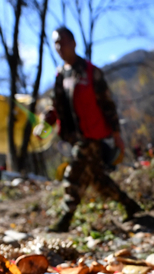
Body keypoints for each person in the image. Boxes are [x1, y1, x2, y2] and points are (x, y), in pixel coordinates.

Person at [39, 26, 141, 232]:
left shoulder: (90, 71)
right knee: (98, 180)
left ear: (74, 43)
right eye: (56, 43)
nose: (59, 47)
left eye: (63, 41)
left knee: (73, 174)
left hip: (93, 135)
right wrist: (45, 122)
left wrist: (116, 135)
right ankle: (129, 204)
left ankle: (66, 218)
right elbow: (55, 106)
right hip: (75, 137)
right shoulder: (60, 76)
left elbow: (107, 104)